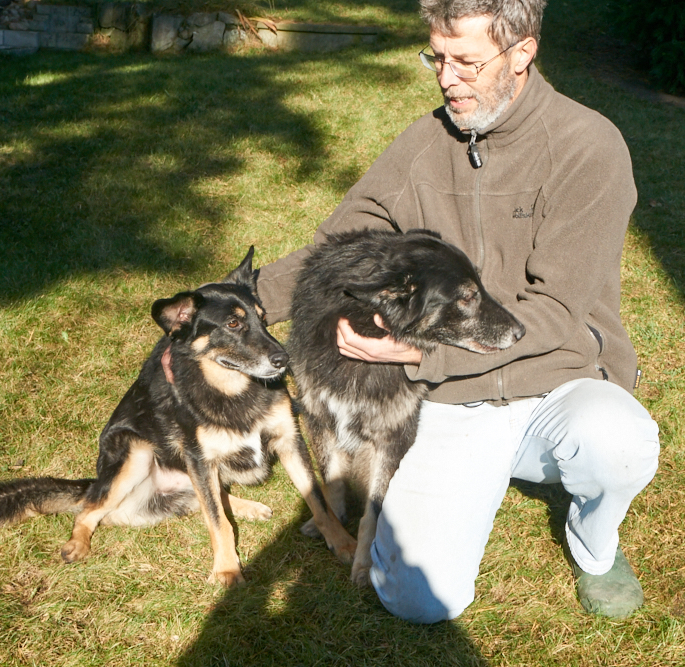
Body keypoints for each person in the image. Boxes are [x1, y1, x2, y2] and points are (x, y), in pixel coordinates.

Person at [255, 0, 659, 622]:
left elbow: (553, 311)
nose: (447, 79)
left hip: (559, 381)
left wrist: (421, 355)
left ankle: (596, 545)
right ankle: (478, 472)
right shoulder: (424, 143)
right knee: (418, 600)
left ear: (522, 54)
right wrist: (234, 305)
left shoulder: (588, 146)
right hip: (450, 397)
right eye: (437, 58)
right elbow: (338, 253)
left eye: (467, 62)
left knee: (619, 443)